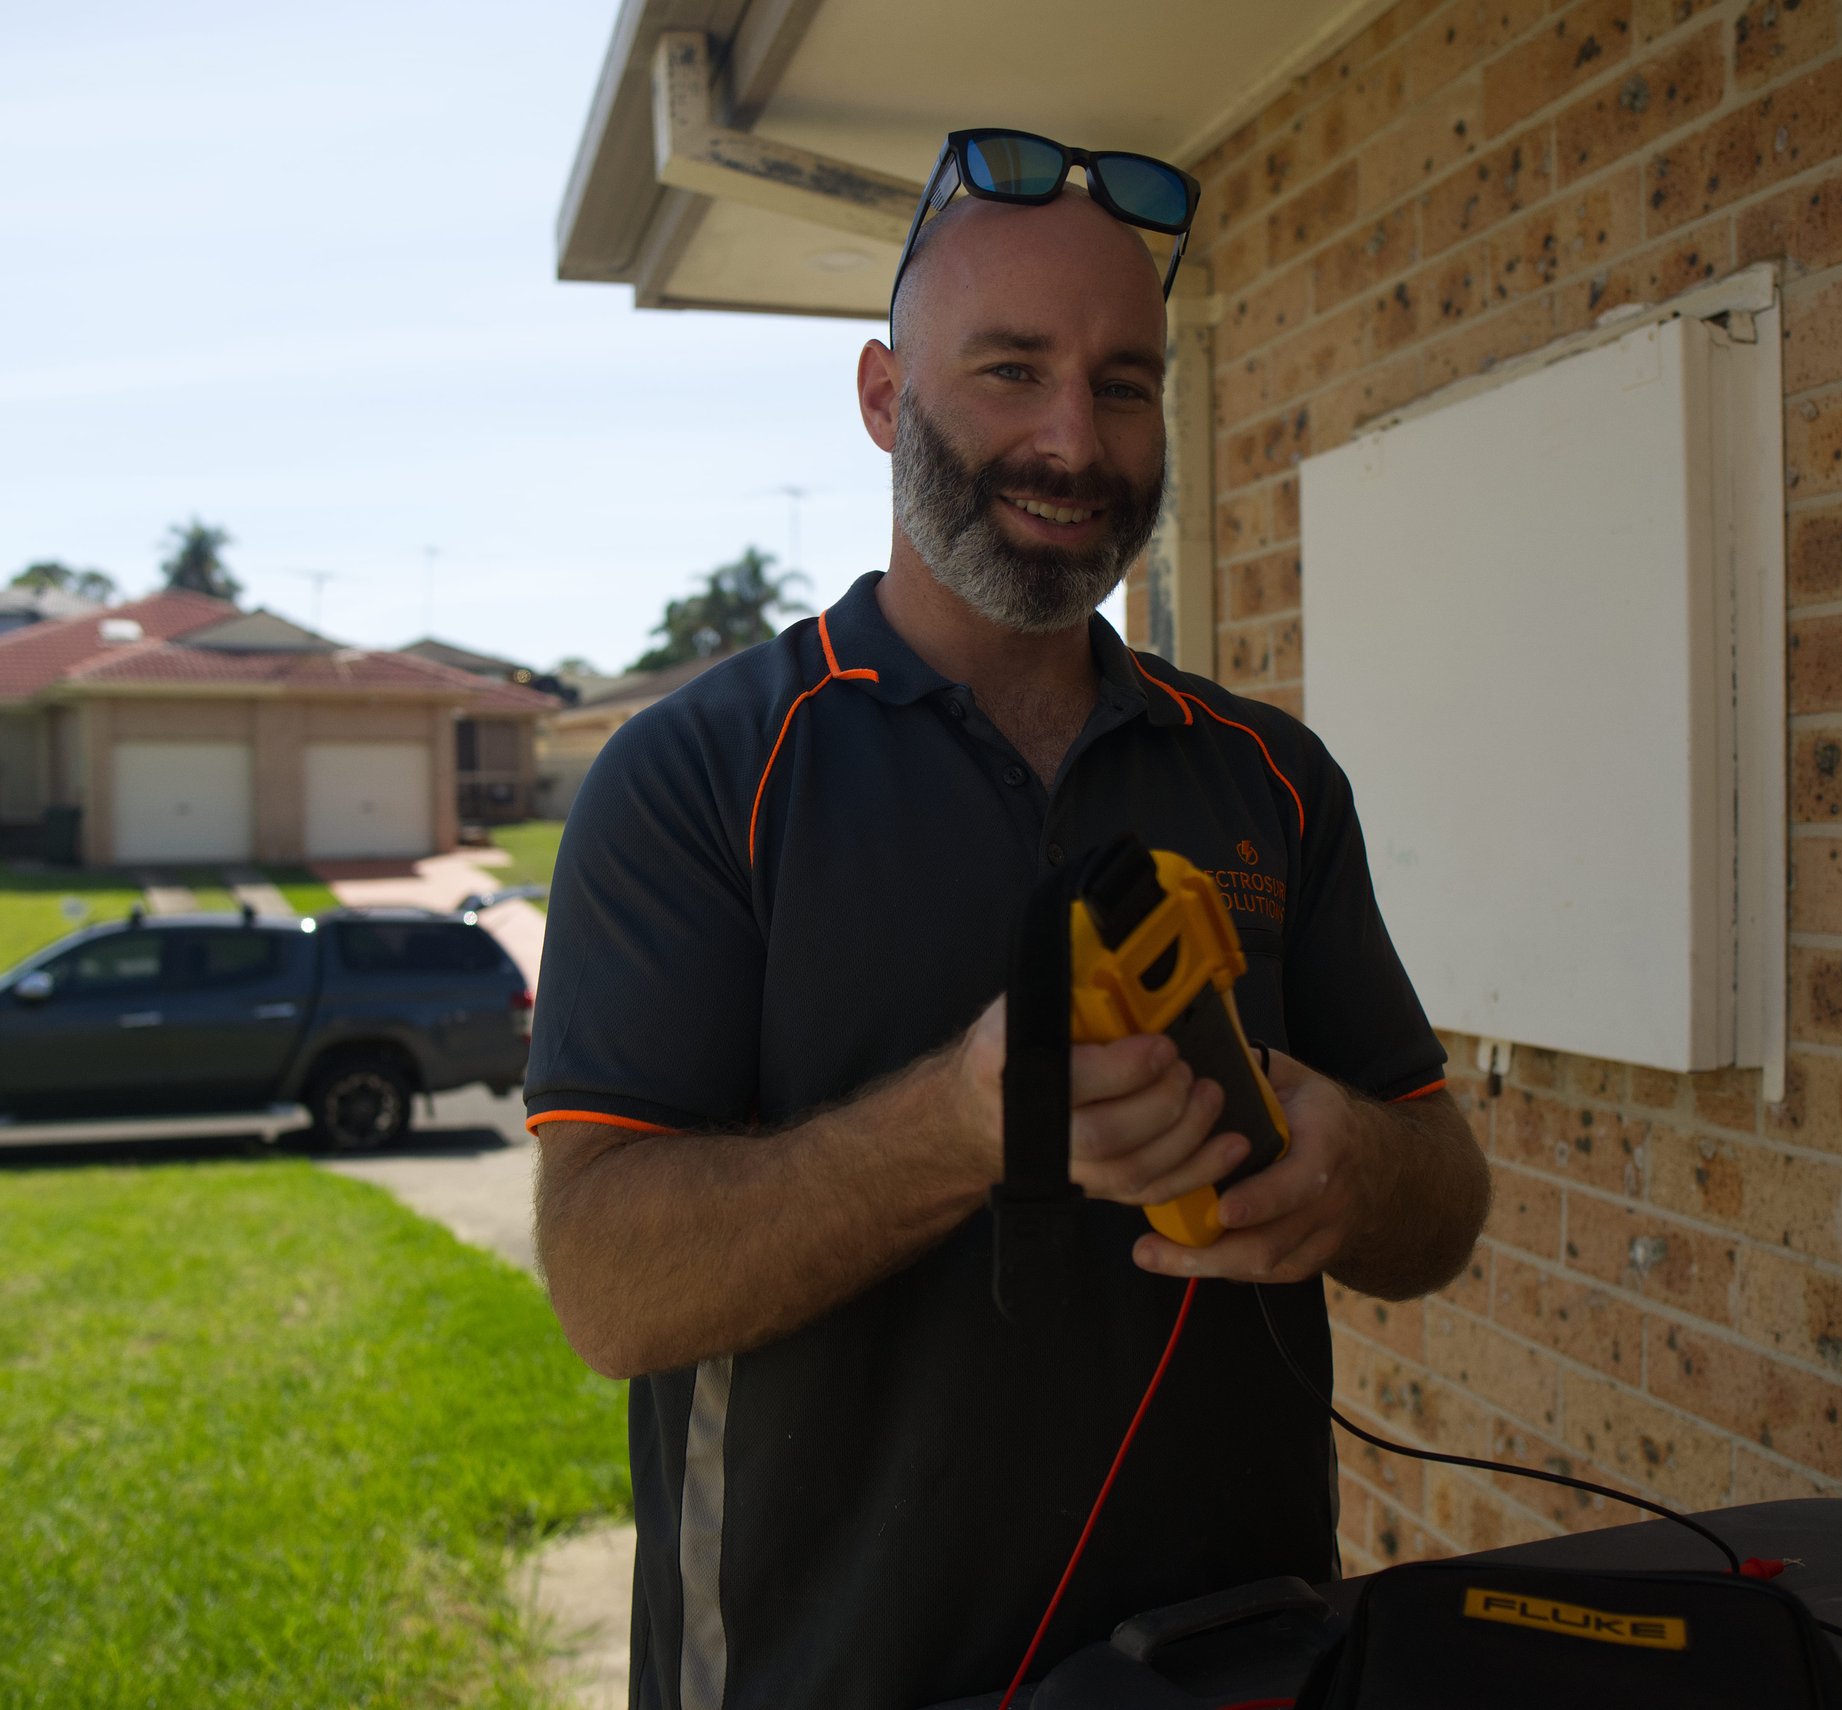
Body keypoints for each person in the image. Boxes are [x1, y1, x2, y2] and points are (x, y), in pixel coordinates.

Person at [526, 129, 1490, 1710]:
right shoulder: (703, 772)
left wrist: (1354, 1166)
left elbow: (1440, 1197)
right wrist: (964, 1125)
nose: (1073, 438)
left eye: (1123, 382)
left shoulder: (1270, 777)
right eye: (1010, 370)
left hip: (1236, 1667)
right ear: (884, 399)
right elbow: (606, 1284)